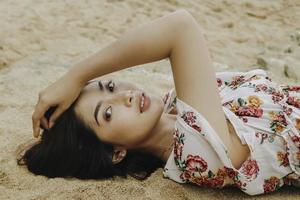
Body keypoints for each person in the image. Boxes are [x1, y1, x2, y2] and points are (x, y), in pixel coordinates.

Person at [17, 9, 300, 195]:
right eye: (108, 113)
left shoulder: (175, 104)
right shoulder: (194, 153)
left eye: (111, 85)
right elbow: (180, 27)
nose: (124, 95)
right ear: (116, 153)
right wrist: (77, 75)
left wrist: (76, 82)